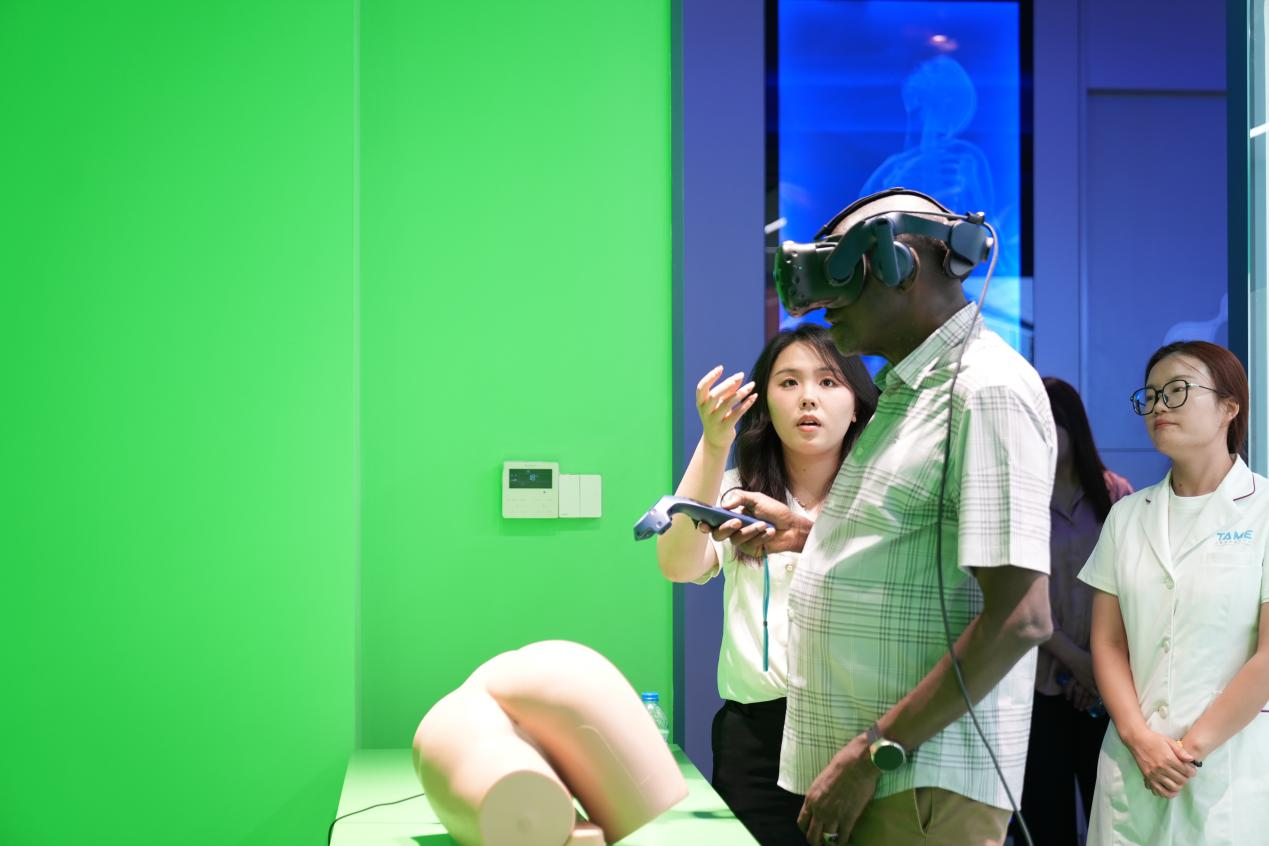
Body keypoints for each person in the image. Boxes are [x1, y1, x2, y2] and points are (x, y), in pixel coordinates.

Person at [726, 188, 1056, 846]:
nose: (825, 308)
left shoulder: (984, 390)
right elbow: (918, 545)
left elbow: (1021, 616)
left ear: (902, 267)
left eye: (842, 283)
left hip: (918, 781)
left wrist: (875, 750)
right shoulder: (911, 391)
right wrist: (808, 536)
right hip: (887, 777)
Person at [656, 324, 878, 846]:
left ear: (855, 405)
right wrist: (715, 443)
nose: (808, 397)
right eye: (788, 382)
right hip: (755, 740)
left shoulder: (879, 500)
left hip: (858, 735)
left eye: (828, 382)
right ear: (766, 404)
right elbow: (677, 564)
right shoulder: (738, 491)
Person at [1078, 341, 1269, 845]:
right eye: (1151, 395)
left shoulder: (1264, 511)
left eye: (1177, 391)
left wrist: (1189, 752)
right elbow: (1108, 642)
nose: (1159, 405)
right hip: (1133, 764)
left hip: (1228, 769)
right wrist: (1140, 740)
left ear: (1230, 407)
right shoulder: (1126, 515)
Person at [1014, 377, 1132, 845]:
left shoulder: (1114, 493)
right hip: (1037, 686)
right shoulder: (1019, 500)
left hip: (1106, 686)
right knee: (1046, 822)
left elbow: (1132, 588)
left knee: (1113, 819)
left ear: (1072, 427)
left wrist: (1095, 668)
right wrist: (1077, 662)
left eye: (1048, 424)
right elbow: (1016, 598)